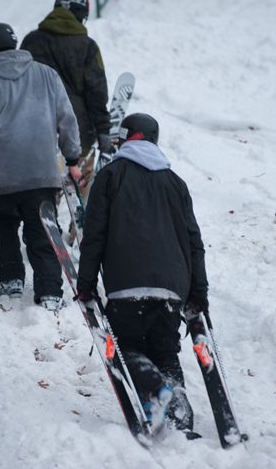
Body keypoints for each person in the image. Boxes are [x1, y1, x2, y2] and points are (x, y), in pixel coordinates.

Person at [76, 113, 209, 434]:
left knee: (126, 347)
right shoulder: (176, 183)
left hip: (127, 284)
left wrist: (86, 282)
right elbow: (194, 243)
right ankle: (179, 413)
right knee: (165, 350)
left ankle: (158, 390)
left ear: (128, 139)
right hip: (172, 290)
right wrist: (198, 292)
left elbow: (95, 234)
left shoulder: (110, 176)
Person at [0, 23, 82, 311]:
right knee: (43, 231)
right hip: (42, 172)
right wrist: (72, 159)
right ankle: (49, 293)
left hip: (3, 175)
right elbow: (66, 118)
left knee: (5, 228)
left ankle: (11, 280)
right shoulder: (46, 74)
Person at [21, 0, 113, 199]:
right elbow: (96, 92)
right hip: (77, 132)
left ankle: (45, 227)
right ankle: (77, 230)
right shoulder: (87, 46)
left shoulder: (30, 41)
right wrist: (103, 130)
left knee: (43, 195)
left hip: (35, 130)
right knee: (79, 192)